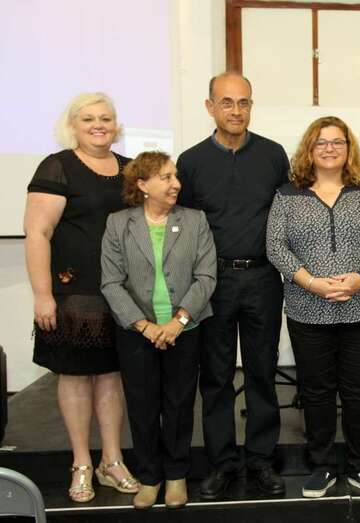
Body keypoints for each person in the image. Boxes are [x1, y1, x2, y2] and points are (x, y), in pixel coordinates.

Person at [267, 116, 360, 498]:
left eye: (337, 142)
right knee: (317, 391)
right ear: (309, 148)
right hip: (308, 310)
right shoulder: (287, 195)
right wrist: (311, 282)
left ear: (348, 149)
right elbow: (275, 246)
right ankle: (321, 466)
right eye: (321, 142)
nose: (329, 148)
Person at [176, 72, 290, 499]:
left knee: (262, 372)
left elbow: (288, 216)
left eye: (243, 102)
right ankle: (223, 463)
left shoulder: (274, 155)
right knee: (217, 377)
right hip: (212, 282)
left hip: (263, 278)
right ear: (210, 107)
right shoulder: (190, 162)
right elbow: (182, 229)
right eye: (227, 102)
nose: (236, 110)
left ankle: (260, 461)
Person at [24, 92, 139, 503]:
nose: (98, 124)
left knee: (111, 376)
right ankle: (81, 463)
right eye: (88, 118)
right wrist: (42, 295)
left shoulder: (130, 170)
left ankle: (111, 461)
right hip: (73, 293)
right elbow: (38, 234)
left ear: (116, 124)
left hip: (123, 293)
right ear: (73, 124)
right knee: (74, 377)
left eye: (106, 117)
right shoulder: (58, 166)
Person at [101, 151, 217, 509]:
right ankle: (150, 477)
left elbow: (206, 276)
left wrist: (176, 322)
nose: (176, 184)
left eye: (175, 176)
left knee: (180, 404)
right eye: (166, 177)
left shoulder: (195, 220)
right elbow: (111, 283)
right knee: (142, 406)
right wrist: (145, 326)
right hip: (137, 333)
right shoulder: (119, 224)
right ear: (142, 184)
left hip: (185, 328)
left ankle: (177, 476)